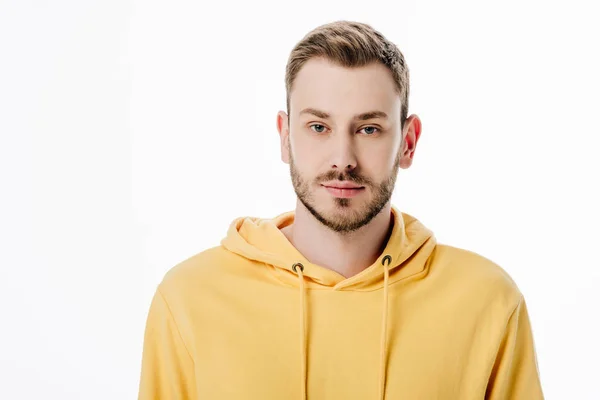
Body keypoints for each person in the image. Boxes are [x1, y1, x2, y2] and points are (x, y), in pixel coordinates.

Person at [137, 20, 544, 399]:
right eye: (319, 127)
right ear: (285, 137)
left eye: (369, 129)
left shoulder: (486, 301)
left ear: (408, 142)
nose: (343, 158)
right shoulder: (191, 299)